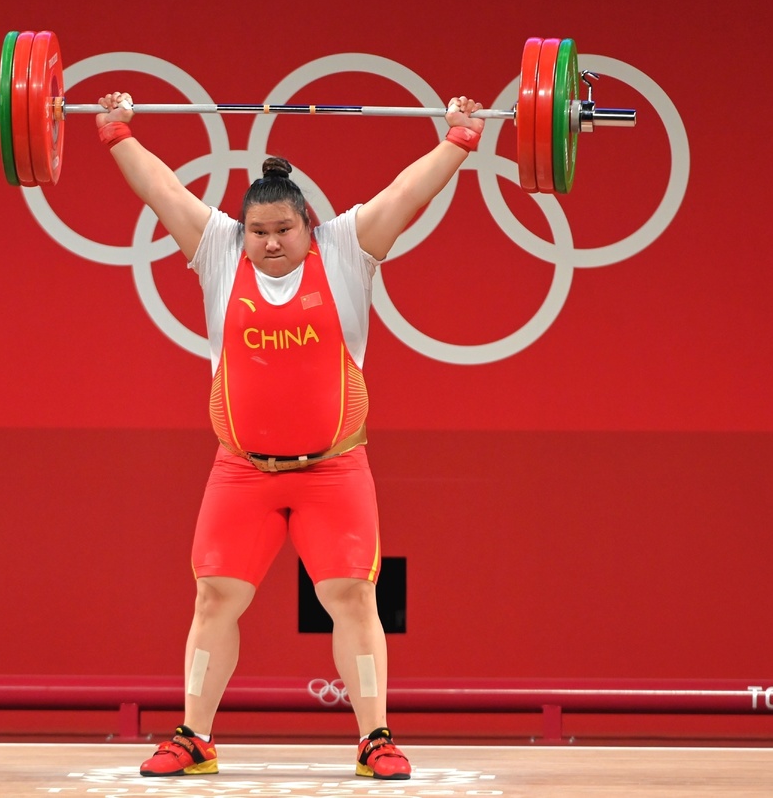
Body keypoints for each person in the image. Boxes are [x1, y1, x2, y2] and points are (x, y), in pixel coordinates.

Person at [94, 89, 485, 780]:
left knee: (352, 598)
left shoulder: (348, 249)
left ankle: (375, 739)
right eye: (259, 232)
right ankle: (195, 737)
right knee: (215, 597)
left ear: (310, 224)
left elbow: (405, 194)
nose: (271, 243)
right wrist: (118, 132)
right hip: (241, 471)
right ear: (242, 233)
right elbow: (163, 191)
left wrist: (458, 140)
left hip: (334, 472)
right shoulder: (219, 252)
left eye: (283, 229)